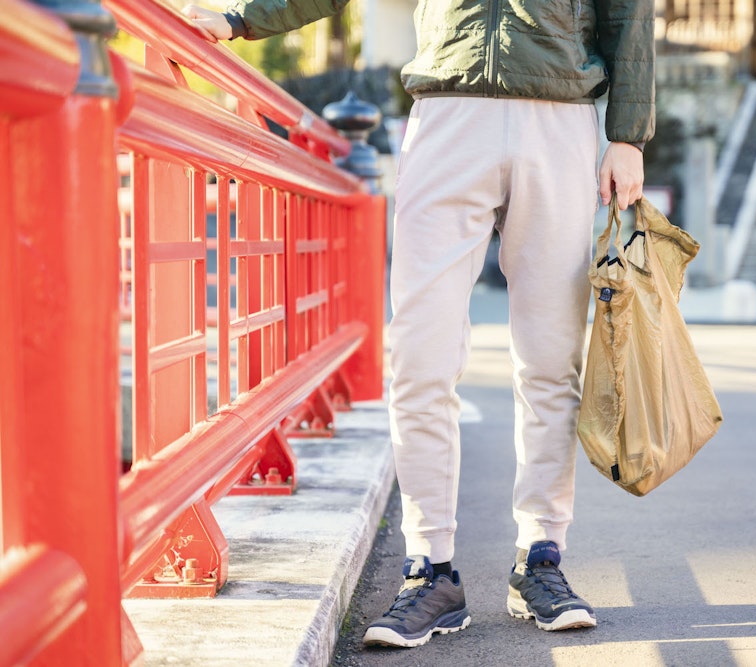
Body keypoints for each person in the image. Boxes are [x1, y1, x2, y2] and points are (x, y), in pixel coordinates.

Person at [184, 0, 654, 649]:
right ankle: (430, 568)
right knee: (419, 352)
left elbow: (627, 11)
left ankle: (540, 556)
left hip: (561, 114)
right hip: (447, 110)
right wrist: (240, 19)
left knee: (552, 356)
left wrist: (627, 132)